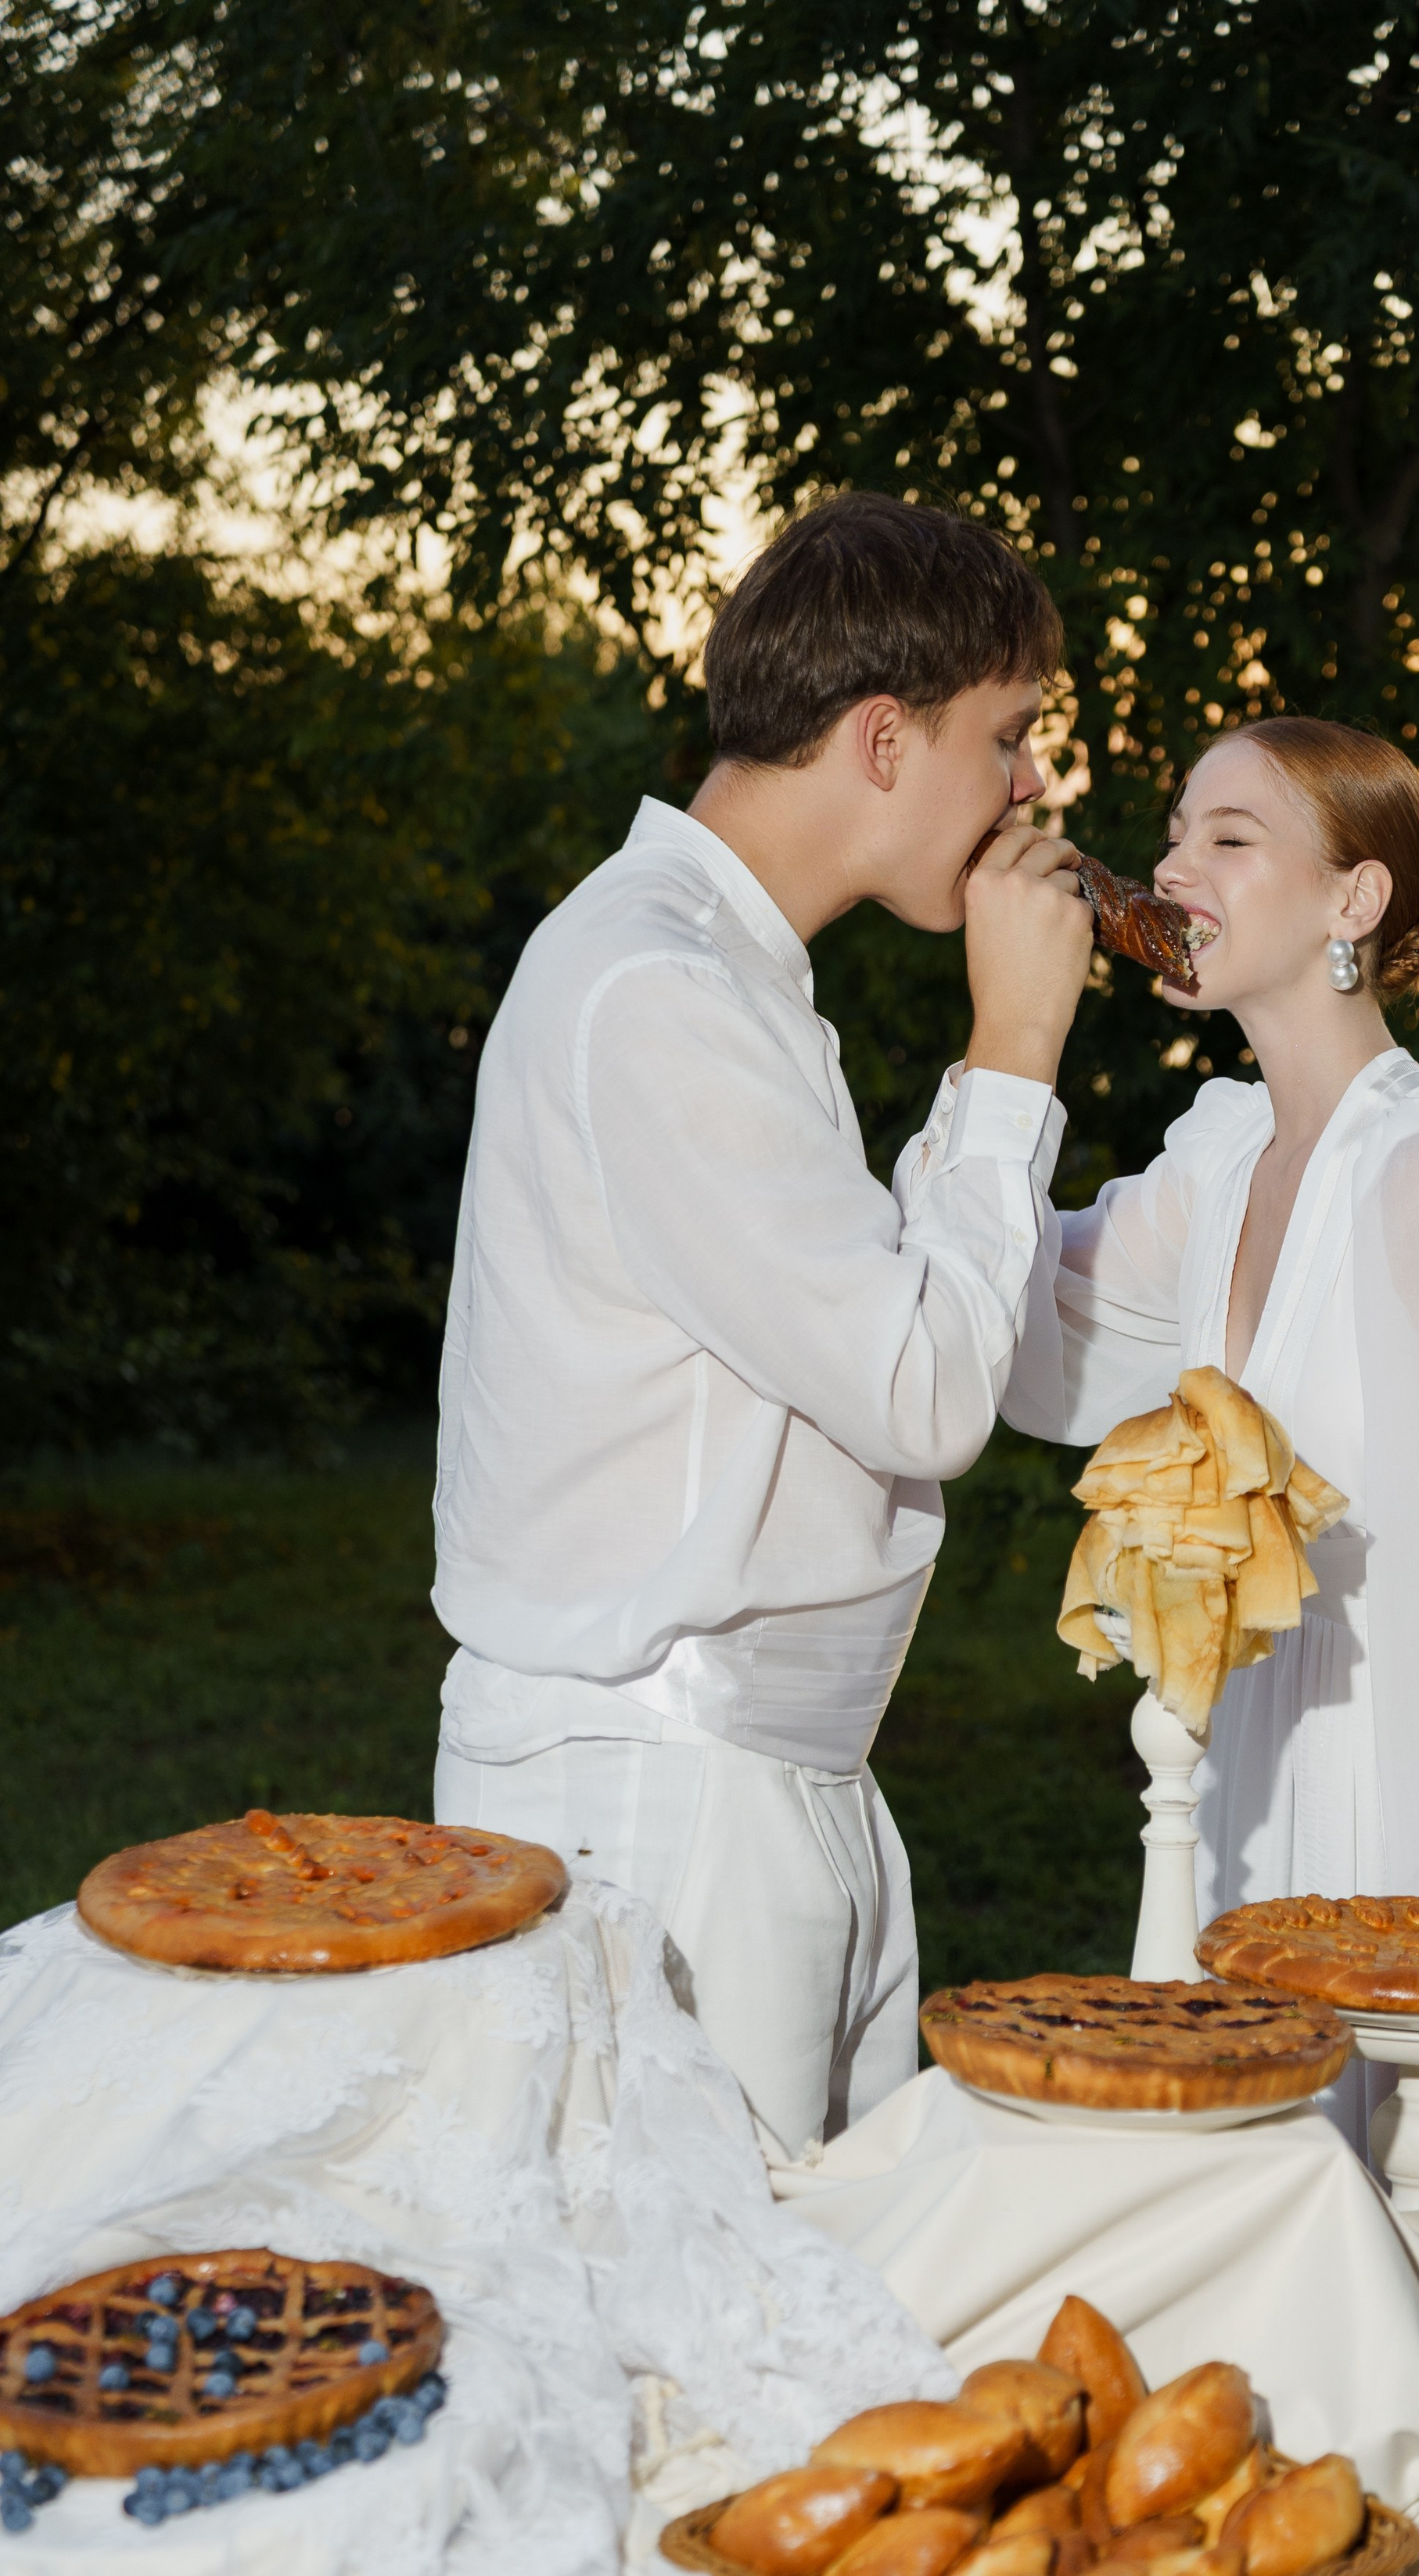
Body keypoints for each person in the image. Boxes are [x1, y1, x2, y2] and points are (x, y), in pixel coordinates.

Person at [431, 493, 1092, 2155]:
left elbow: (888, 1323)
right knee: (697, 2283)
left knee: (817, 2275)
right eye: (1006, 736)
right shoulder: (658, 989)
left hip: (761, 1782)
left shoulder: (714, 970)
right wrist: (1015, 1047)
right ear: (884, 739)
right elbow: (921, 1392)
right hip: (657, 1801)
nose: (1028, 787)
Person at [1003, 718, 1419, 2165]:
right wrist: (1010, 1042)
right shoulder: (1219, 1159)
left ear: (1352, 901)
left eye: (1231, 839)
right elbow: (1000, 1314)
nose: (1176, 867)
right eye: (1175, 833)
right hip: (1262, 1798)